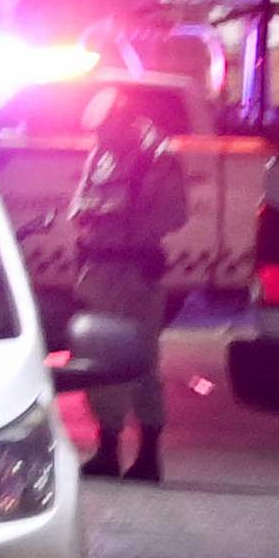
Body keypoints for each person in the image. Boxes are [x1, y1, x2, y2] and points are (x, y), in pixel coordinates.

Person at [65, 97, 178, 483]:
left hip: (134, 272)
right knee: (97, 360)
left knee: (140, 360)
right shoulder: (101, 156)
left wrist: (130, 224)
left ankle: (148, 454)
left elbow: (173, 214)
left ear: (125, 122)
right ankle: (108, 449)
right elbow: (80, 207)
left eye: (105, 129)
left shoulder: (157, 160)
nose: (100, 137)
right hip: (99, 269)